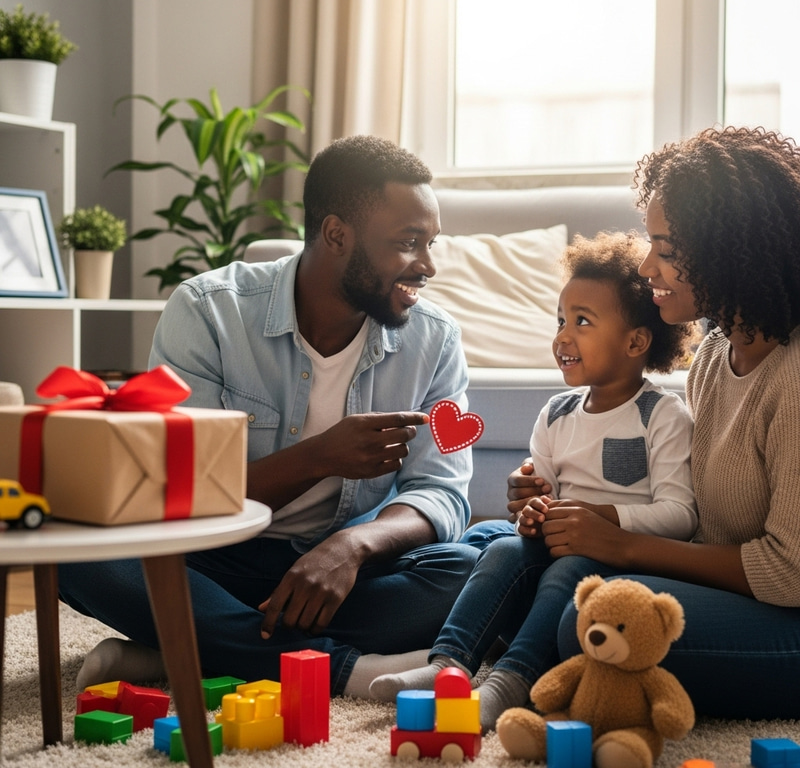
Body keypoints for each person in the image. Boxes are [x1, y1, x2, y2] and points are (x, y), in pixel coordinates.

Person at [58, 134, 480, 698]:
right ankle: (343, 671)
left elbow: (441, 492)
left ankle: (183, 647)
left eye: (430, 243)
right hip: (212, 555)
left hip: (340, 569)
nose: (426, 265)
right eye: (409, 243)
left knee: (486, 558)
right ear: (336, 234)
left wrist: (351, 548)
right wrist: (321, 458)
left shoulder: (435, 340)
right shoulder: (208, 312)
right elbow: (179, 491)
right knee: (77, 552)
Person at [511, 125, 800, 721]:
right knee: (503, 550)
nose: (647, 266)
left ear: (729, 249)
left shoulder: (792, 378)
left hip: (790, 618)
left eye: (666, 249)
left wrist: (623, 544)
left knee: (589, 626)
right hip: (738, 595)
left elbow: (787, 571)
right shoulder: (716, 355)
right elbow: (701, 521)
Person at [369, 231, 697, 730]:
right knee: (498, 548)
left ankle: (510, 680)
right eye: (561, 321)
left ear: (635, 341)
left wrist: (597, 519)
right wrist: (528, 506)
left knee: (569, 572)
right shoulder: (556, 412)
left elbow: (680, 516)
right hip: (562, 544)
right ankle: (447, 664)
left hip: (619, 562)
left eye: (582, 322)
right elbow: (535, 498)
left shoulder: (662, 416)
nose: (563, 337)